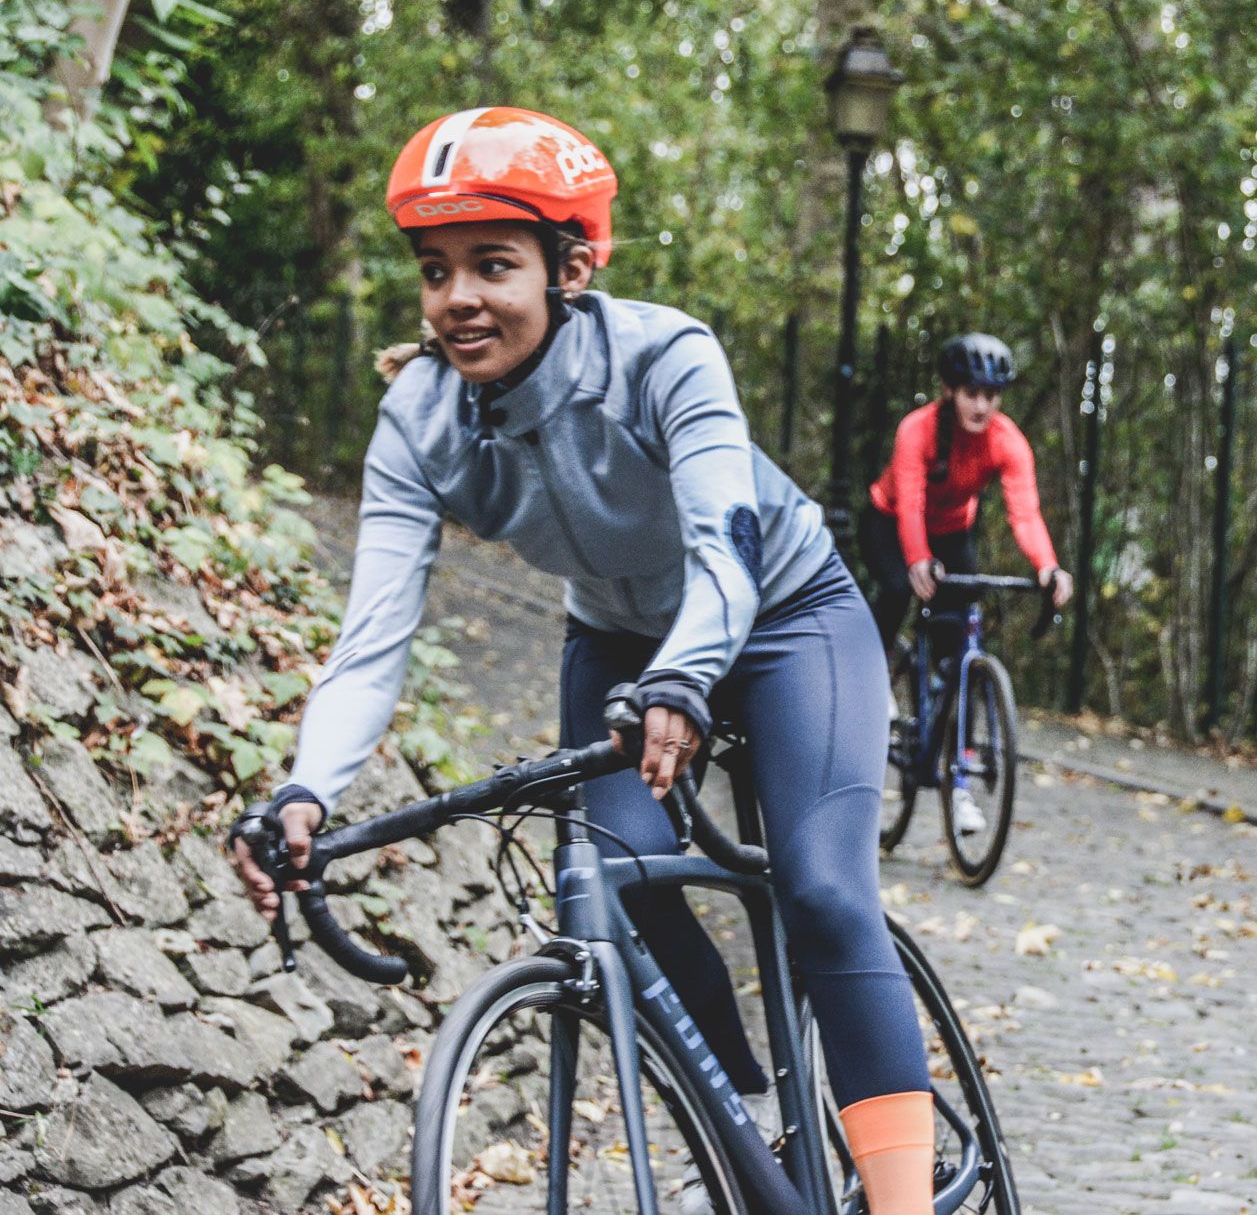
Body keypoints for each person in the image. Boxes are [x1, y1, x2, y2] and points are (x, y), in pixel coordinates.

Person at [234, 107, 936, 1214]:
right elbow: (372, 639)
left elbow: (727, 548)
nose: (457, 297)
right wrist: (309, 786)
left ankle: (901, 1198)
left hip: (786, 612)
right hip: (616, 638)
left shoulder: (663, 354)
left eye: (492, 265)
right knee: (612, 873)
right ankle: (743, 1129)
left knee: (823, 891)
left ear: (571, 268)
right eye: (435, 270)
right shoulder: (419, 418)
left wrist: (686, 679)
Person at [858, 333, 1073, 832]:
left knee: (960, 654)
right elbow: (909, 502)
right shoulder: (918, 430)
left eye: (991, 395)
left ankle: (960, 788)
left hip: (953, 529)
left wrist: (1047, 565)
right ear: (950, 391)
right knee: (895, 589)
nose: (981, 405)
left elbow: (1025, 513)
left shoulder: (1007, 441)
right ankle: (875, 677)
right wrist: (916, 560)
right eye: (971, 393)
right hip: (890, 521)